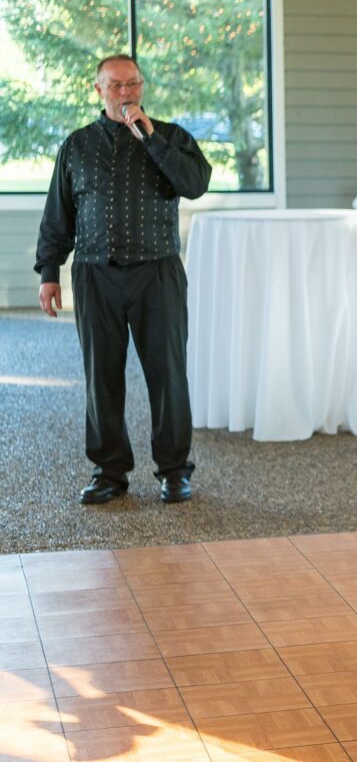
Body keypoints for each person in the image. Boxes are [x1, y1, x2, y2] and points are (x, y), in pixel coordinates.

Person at [35, 54, 212, 505]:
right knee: (102, 377)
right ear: (98, 91)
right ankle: (109, 471)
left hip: (158, 273)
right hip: (96, 275)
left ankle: (174, 470)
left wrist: (151, 139)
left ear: (142, 87)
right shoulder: (76, 146)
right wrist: (49, 272)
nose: (126, 93)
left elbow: (195, 183)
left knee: (167, 372)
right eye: (115, 86)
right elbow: (59, 214)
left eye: (132, 84)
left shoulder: (170, 136)